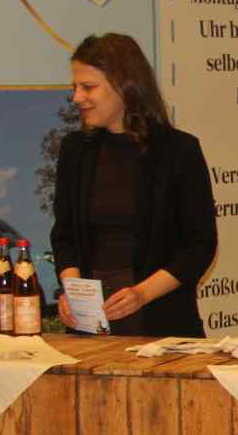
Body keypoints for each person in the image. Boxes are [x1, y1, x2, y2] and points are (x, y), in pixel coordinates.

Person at [50, 33, 218, 336]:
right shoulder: (74, 150)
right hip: (89, 327)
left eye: (88, 87)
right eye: (75, 87)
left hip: (161, 324)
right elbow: (64, 237)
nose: (77, 98)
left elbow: (199, 246)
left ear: (124, 85)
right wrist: (73, 292)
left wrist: (141, 294)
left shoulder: (179, 150)